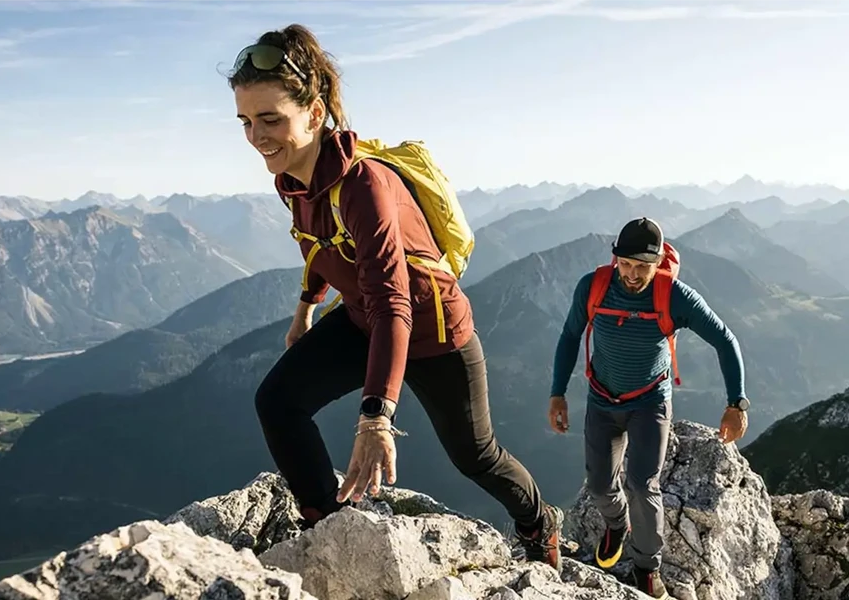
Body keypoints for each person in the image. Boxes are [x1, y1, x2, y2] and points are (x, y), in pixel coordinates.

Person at [223, 23, 563, 570]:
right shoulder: (291, 177)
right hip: (365, 321)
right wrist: (305, 309)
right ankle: (329, 526)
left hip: (433, 331)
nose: (257, 136)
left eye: (270, 119)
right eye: (245, 121)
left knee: (476, 457)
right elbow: (319, 244)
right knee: (278, 402)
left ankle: (538, 521)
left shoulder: (365, 186)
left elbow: (394, 303)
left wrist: (376, 418)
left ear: (313, 113)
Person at [547, 217, 750, 599]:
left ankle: (646, 567)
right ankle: (616, 525)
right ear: (615, 259)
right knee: (600, 486)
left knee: (642, 485)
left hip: (650, 403)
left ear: (657, 263)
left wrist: (736, 402)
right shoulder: (593, 287)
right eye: (625, 264)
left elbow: (725, 339)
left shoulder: (674, 296)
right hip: (601, 400)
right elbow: (570, 335)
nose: (633, 274)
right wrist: (557, 393)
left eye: (642, 266)